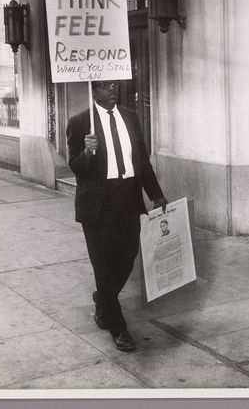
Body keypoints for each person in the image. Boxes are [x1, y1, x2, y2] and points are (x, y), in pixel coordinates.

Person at [66, 80, 167, 352]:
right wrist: (87, 151)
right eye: (104, 85)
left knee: (126, 258)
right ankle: (117, 326)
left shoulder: (130, 117)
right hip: (98, 204)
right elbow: (75, 166)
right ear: (93, 91)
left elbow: (142, 160)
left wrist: (155, 193)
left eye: (113, 84)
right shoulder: (79, 122)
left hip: (128, 199)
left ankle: (102, 299)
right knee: (103, 265)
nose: (112, 89)